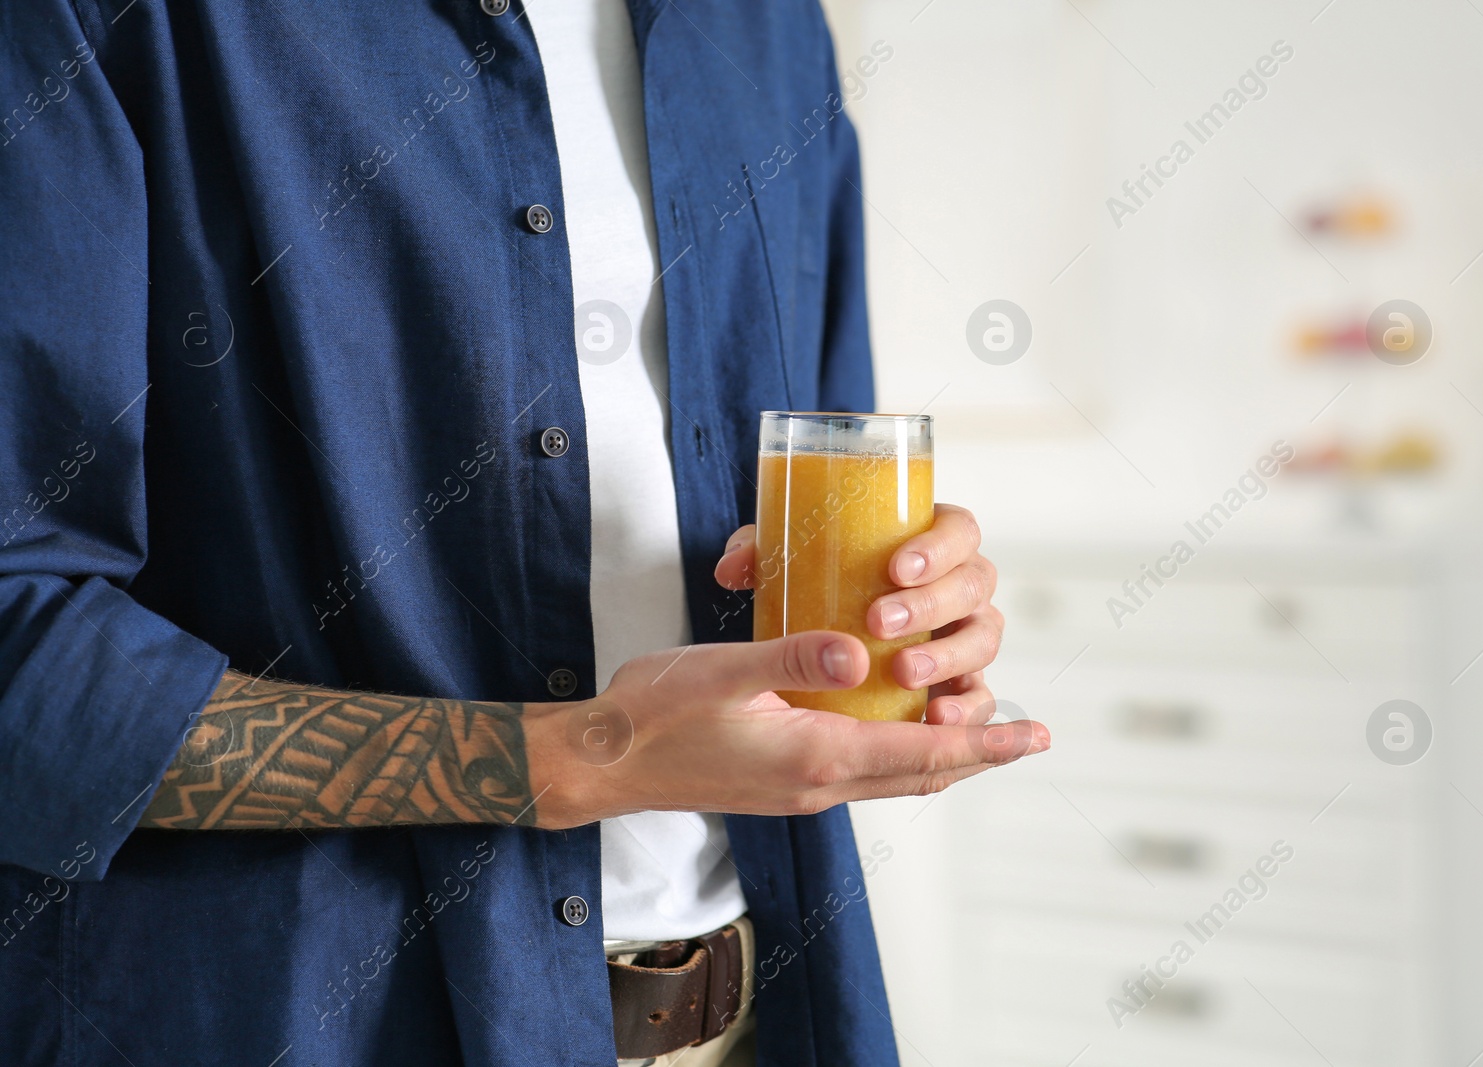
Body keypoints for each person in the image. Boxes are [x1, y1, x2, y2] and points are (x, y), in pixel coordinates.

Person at [0, 1, 1047, 1064]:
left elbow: (822, 477)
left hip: (759, 1017)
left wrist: (912, 605)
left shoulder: (767, 26)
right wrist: (582, 755)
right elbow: (18, 647)